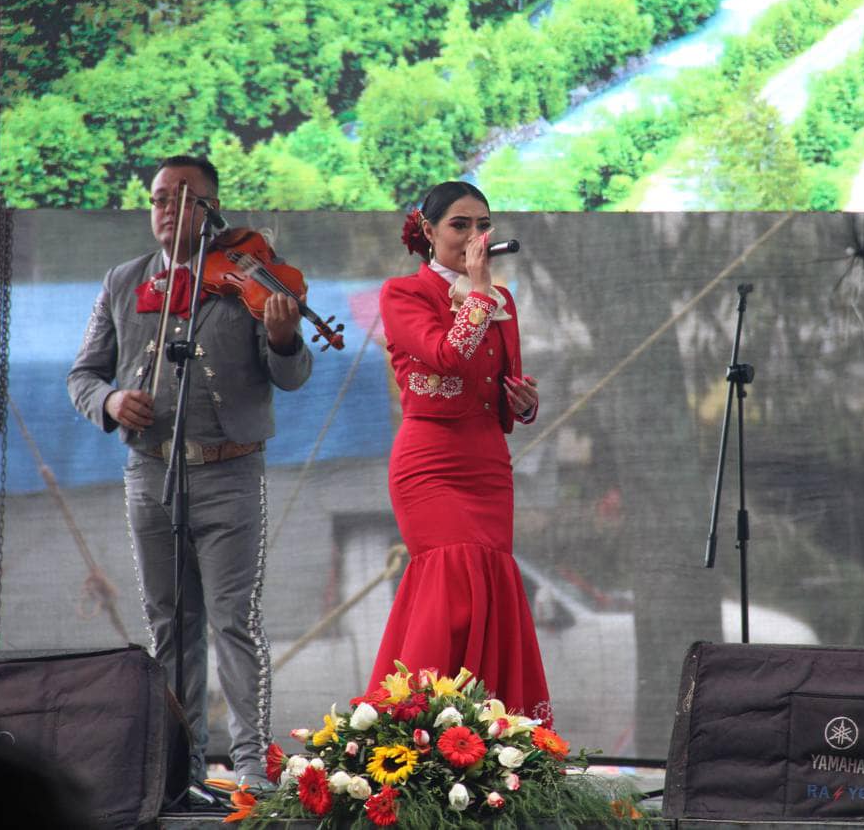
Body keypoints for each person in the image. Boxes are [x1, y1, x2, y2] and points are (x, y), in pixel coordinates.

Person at [68, 155, 314, 791]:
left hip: (232, 473)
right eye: (158, 198)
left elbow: (291, 376)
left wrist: (285, 340)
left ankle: (253, 767)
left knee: (235, 618)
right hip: (150, 475)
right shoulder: (122, 280)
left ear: (210, 209)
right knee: (169, 622)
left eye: (182, 197)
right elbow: (83, 375)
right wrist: (112, 402)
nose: (167, 208)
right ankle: (181, 767)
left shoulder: (249, 276)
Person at [366, 181, 551, 723]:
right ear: (428, 231)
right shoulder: (403, 293)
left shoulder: (500, 298)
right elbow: (448, 357)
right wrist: (477, 286)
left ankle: (492, 739)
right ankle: (417, 729)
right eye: (460, 225)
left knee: (490, 586)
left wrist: (524, 401)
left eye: (482, 225)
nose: (474, 236)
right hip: (430, 463)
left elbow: (497, 380)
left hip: (487, 462)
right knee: (452, 584)